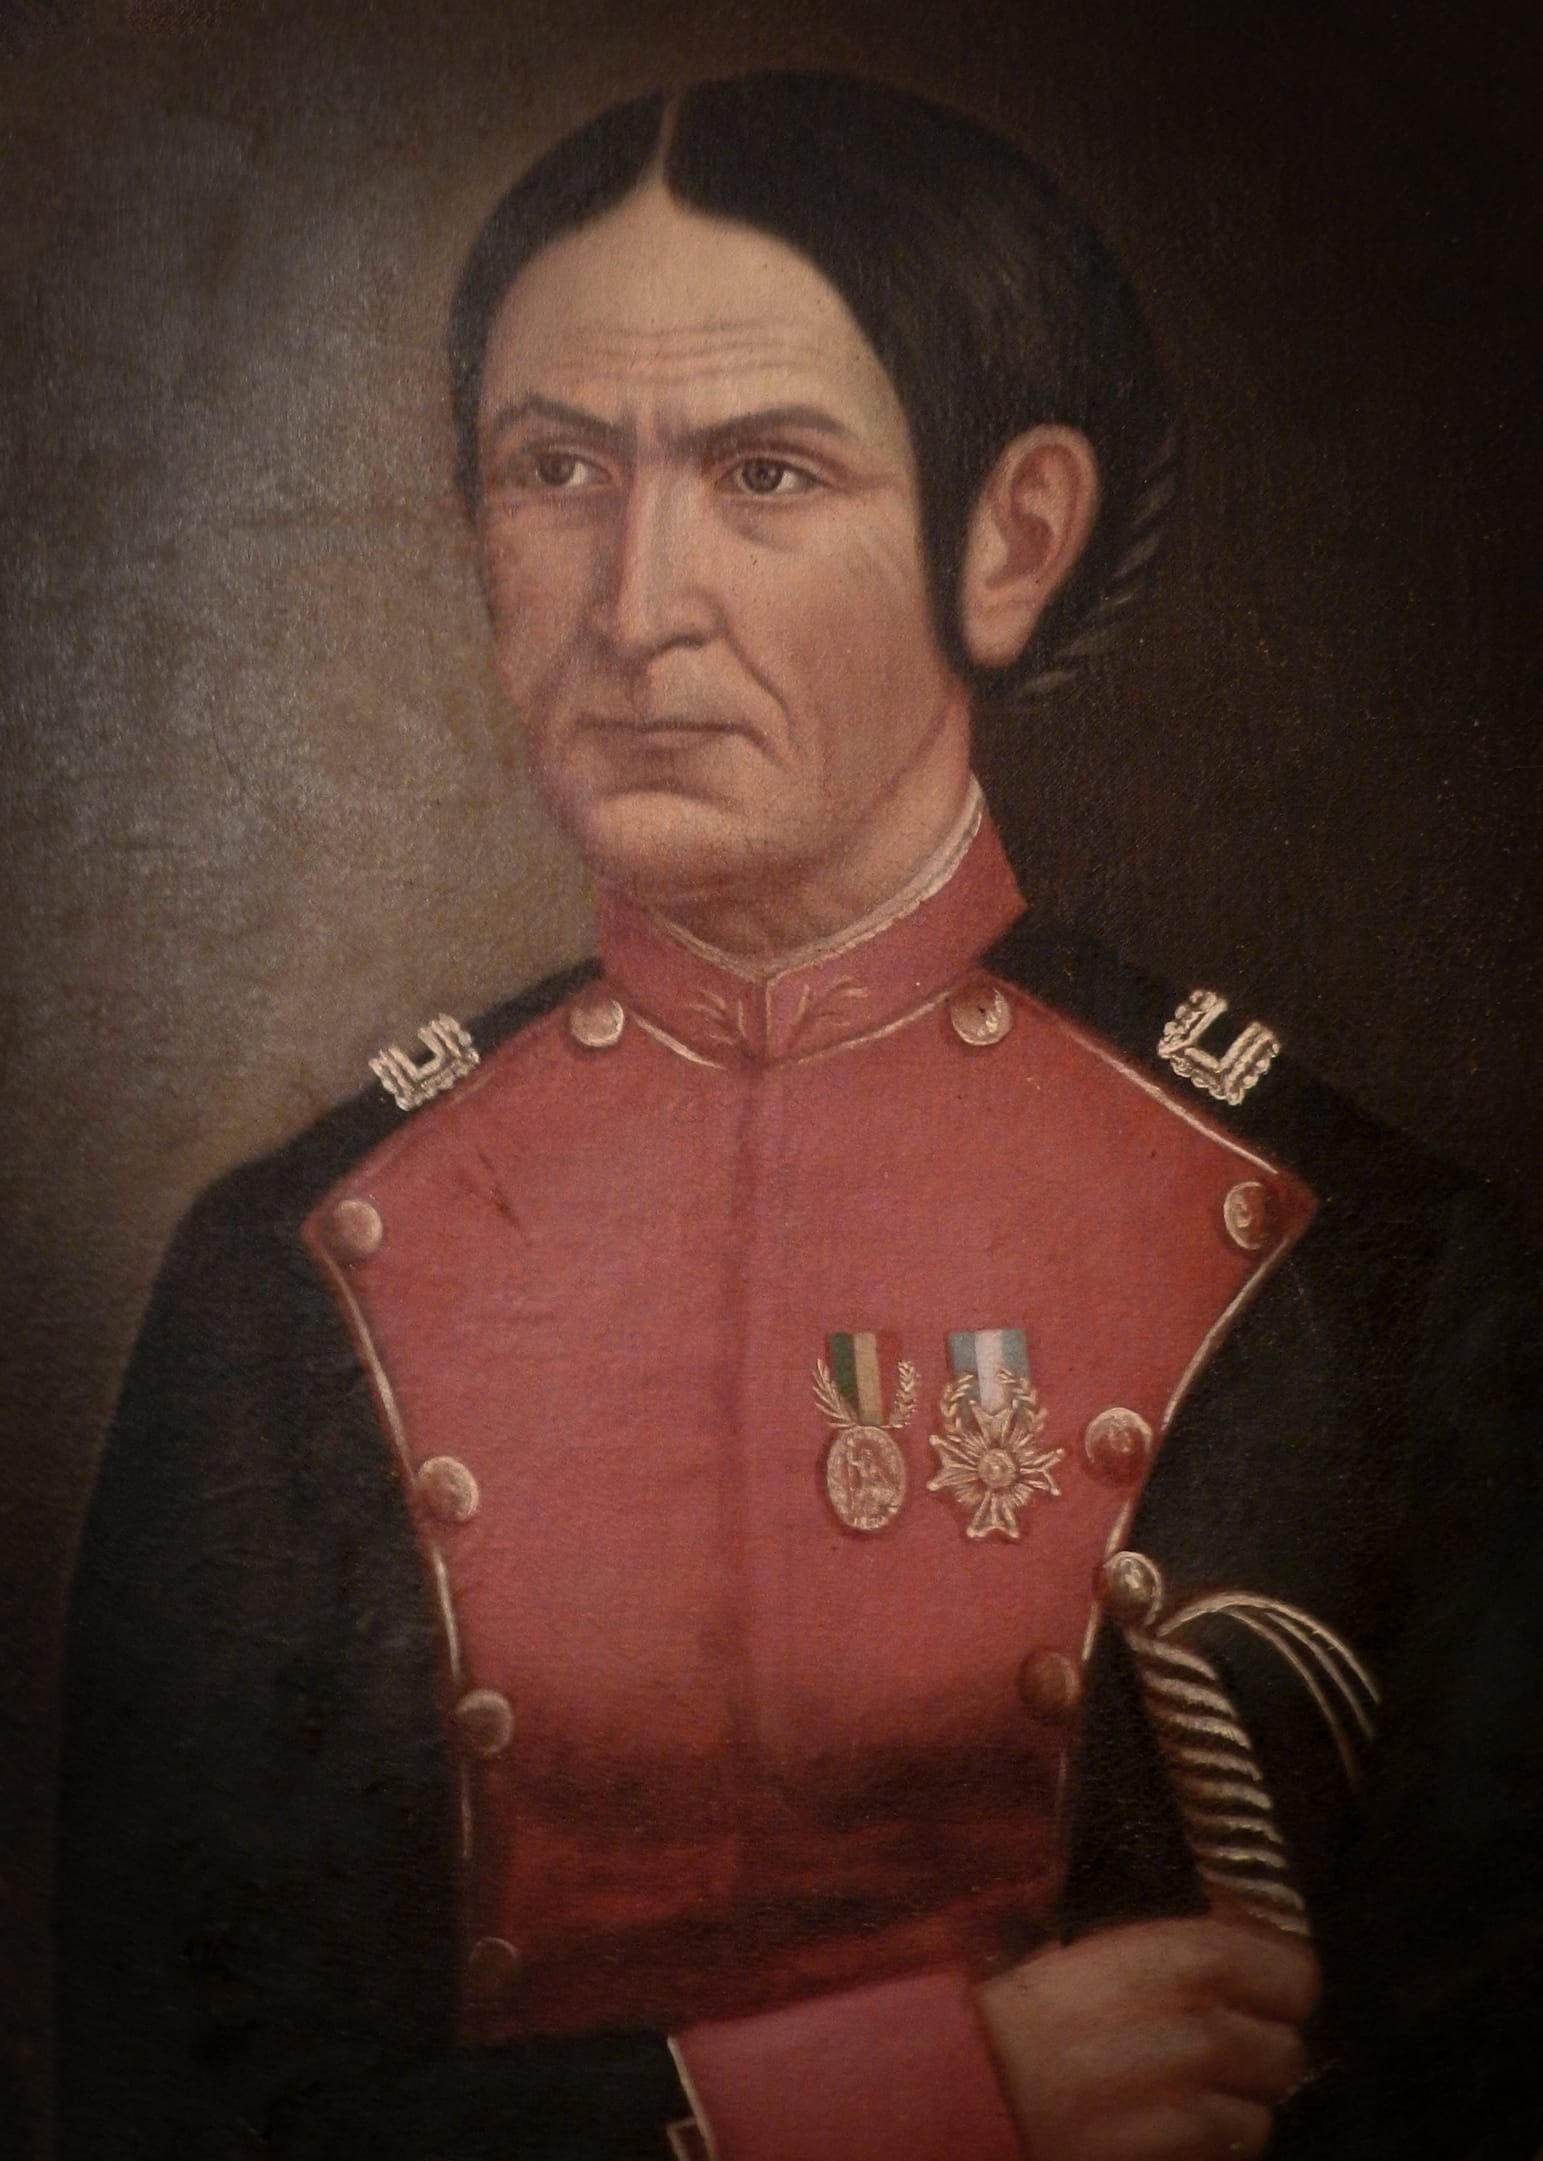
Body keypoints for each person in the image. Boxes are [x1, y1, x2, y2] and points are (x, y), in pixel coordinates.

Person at [55, 71, 1543, 2161]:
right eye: (556, 470)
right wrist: (911, 2099)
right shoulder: (288, 1269)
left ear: (1009, 540)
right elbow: (161, 2110)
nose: (635, 601)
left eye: (763, 472)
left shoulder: (1360, 1264)